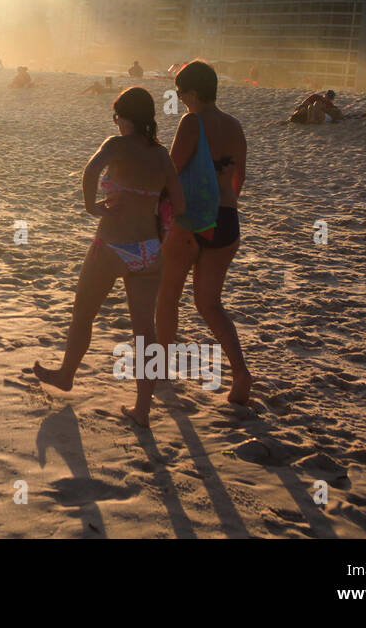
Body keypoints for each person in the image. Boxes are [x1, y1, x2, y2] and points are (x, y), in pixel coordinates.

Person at [32, 87, 184, 429]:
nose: (115, 123)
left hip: (112, 244)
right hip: (149, 251)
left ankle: (67, 374)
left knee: (84, 311)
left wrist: (91, 206)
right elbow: (180, 203)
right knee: (145, 332)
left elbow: (89, 171)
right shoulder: (161, 155)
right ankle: (142, 409)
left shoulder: (116, 146)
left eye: (116, 117)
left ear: (124, 118)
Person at [154, 60, 253, 406]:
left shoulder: (191, 122)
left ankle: (160, 369)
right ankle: (240, 373)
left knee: (167, 296)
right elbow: (239, 178)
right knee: (209, 304)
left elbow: (172, 169)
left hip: (191, 221)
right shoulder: (235, 125)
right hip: (226, 219)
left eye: (181, 94)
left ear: (193, 93)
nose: (180, 100)